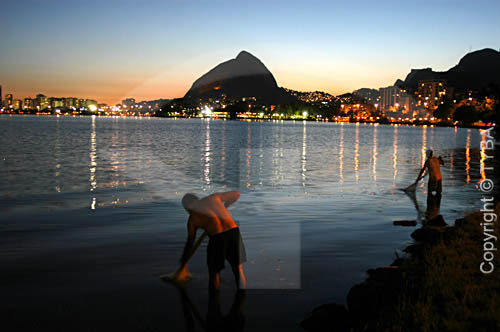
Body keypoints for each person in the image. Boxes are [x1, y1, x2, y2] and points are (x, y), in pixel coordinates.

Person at [180, 191, 246, 293]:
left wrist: (184, 261)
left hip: (217, 238)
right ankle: (242, 297)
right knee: (238, 268)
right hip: (233, 232)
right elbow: (237, 194)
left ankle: (214, 301)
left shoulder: (192, 219)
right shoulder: (213, 198)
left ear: (188, 206)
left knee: (214, 273)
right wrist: (226, 205)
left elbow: (190, 242)